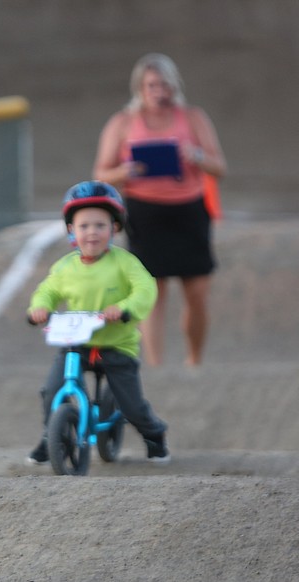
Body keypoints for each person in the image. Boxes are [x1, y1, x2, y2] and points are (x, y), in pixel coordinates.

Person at [92, 53, 226, 367]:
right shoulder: (123, 122)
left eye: (164, 84)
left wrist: (194, 155)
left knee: (197, 293)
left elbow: (219, 167)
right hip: (144, 211)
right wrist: (127, 170)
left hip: (189, 209)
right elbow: (100, 172)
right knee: (152, 293)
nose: (158, 91)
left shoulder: (193, 117)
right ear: (140, 87)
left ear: (174, 86)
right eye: (151, 85)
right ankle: (156, 366)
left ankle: (194, 360)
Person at [26, 181, 170, 465]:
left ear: (114, 228)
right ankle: (50, 436)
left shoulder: (124, 263)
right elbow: (48, 290)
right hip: (76, 345)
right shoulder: (65, 267)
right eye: (83, 226)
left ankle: (154, 433)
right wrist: (39, 308)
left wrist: (125, 308)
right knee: (52, 390)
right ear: (71, 230)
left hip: (117, 346)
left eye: (100, 225)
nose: (92, 232)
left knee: (131, 405)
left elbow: (145, 289)